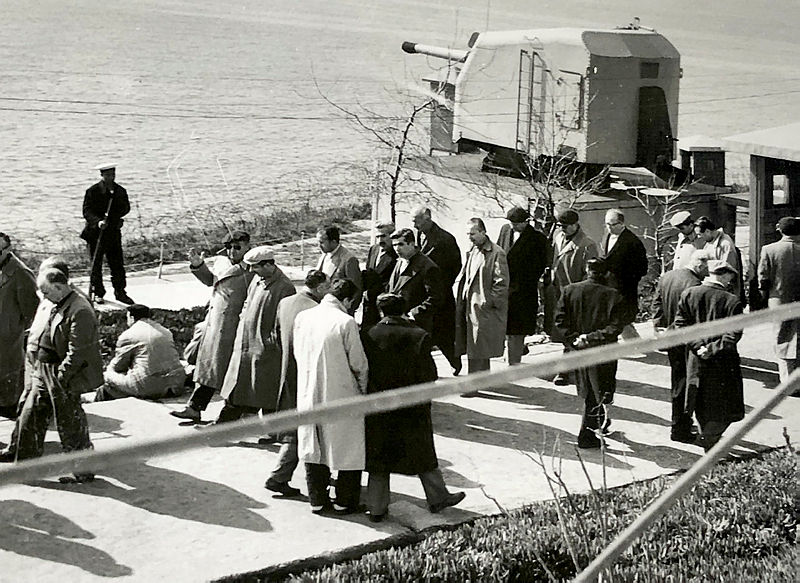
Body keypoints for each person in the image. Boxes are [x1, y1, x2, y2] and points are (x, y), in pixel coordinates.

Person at [362, 293, 465, 522]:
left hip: (379, 405)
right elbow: (430, 374)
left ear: (380, 311)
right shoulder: (419, 335)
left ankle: (376, 508)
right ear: (403, 310)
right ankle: (438, 497)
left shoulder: (368, 334)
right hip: (412, 406)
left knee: (379, 458)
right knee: (422, 453)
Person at [0, 268, 102, 483]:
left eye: (46, 292)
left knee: (70, 424)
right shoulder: (57, 302)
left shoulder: (80, 310)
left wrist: (62, 378)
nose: (43, 297)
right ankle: (25, 468)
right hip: (42, 369)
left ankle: (83, 471)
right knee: (30, 417)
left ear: (59, 287)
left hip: (62, 374)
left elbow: (78, 352)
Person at [294, 279, 369, 514]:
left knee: (313, 444)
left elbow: (297, 353)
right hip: (341, 391)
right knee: (347, 447)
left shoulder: (303, 317)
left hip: (308, 389)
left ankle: (316, 499)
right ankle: (345, 500)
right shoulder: (345, 322)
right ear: (347, 300)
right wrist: (362, 390)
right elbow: (359, 364)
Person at [171, 230, 253, 423]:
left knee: (230, 371)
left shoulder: (252, 269)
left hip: (234, 327)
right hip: (214, 323)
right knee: (208, 367)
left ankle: (231, 413)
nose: (232, 251)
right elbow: (212, 281)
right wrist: (198, 266)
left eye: (237, 247)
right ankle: (194, 407)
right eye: (229, 247)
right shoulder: (222, 262)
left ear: (248, 247)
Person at [265, 270, 329, 498]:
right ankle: (279, 476)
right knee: (302, 427)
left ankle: (283, 475)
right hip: (306, 372)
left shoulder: (286, 302)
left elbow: (274, 335)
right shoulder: (316, 309)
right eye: (328, 287)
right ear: (320, 288)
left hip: (286, 370)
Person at [217, 246, 296, 423]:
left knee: (265, 392)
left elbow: (284, 320)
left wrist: (271, 341)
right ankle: (223, 425)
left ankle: (272, 430)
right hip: (246, 344)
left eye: (256, 266)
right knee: (238, 388)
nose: (252, 270)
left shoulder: (285, 287)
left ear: (268, 265)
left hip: (266, 348)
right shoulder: (257, 280)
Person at [553, 259, 626, 449]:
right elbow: (615, 327)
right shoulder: (614, 295)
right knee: (598, 392)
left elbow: (560, 321)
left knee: (588, 390)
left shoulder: (570, 290)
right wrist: (591, 338)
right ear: (606, 273)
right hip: (603, 351)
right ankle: (586, 435)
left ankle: (598, 423)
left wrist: (575, 340)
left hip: (578, 350)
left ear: (587, 270)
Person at [674, 260, 744, 451]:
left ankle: (708, 441)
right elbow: (733, 334)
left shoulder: (689, 294)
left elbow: (681, 326)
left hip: (695, 359)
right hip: (723, 361)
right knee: (724, 405)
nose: (730, 282)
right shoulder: (732, 301)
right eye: (730, 278)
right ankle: (708, 441)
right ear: (725, 275)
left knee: (699, 400)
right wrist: (711, 349)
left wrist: (698, 347)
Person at [651, 250, 710, 442]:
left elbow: (657, 304)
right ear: (700, 264)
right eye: (707, 268)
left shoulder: (667, 277)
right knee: (688, 384)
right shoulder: (696, 285)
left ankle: (679, 424)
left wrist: (659, 328)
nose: (708, 273)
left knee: (678, 382)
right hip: (687, 340)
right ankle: (680, 428)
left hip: (671, 339)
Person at [95, 304, 186, 401]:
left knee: (108, 375)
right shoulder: (165, 331)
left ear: (131, 317)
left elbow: (118, 366)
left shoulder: (128, 335)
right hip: (176, 384)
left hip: (149, 386)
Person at [454, 217, 510, 374]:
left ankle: (475, 381)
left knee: (479, 347)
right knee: (475, 346)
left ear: (483, 232)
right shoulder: (473, 250)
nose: (469, 237)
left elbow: (501, 283)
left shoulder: (496, 253)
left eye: (472, 234)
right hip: (470, 306)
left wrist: (489, 302)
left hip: (483, 308)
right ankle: (481, 379)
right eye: (468, 234)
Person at [496, 207, 550, 365]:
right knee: (506, 327)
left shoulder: (537, 239)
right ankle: (515, 351)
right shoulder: (505, 231)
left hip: (523, 291)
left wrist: (524, 280)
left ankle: (514, 362)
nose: (513, 226)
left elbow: (540, 265)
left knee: (517, 329)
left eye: (517, 223)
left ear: (526, 222)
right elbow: (498, 252)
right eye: (511, 223)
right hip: (504, 287)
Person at [412, 206, 462, 374]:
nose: (414, 225)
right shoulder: (417, 236)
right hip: (421, 294)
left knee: (443, 333)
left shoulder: (445, 239)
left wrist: (441, 285)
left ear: (427, 218)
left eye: (416, 221)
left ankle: (455, 362)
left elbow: (456, 266)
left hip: (441, 294)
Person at [79, 162, 134, 304]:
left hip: (113, 233)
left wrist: (116, 216)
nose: (111, 177)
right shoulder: (92, 191)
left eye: (113, 175)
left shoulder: (120, 191)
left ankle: (120, 292)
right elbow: (86, 211)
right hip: (95, 234)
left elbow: (126, 208)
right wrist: (98, 221)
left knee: (117, 264)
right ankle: (98, 293)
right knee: (96, 265)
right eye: (108, 175)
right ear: (102, 175)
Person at [757, 216, 800, 389]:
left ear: (780, 230)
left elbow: (763, 279)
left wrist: (763, 298)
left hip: (779, 302)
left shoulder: (769, 250)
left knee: (782, 338)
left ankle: (788, 382)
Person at [0, 232, 39, 419]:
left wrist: (14, 328)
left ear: (8, 249)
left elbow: (32, 310)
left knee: (9, 381)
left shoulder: (21, 273)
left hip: (8, 338)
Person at [387, 228, 444, 334]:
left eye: (401, 244)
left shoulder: (427, 267)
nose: (397, 249)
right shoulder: (400, 261)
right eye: (394, 245)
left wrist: (413, 314)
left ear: (412, 244)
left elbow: (435, 298)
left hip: (416, 326)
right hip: (397, 323)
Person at [600, 209, 648, 332]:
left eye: (612, 224)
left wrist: (624, 275)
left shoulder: (632, 242)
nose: (609, 228)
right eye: (607, 224)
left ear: (622, 224)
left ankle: (635, 343)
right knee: (612, 323)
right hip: (608, 288)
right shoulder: (607, 235)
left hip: (624, 290)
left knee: (624, 323)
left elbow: (642, 268)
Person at [694, 216, 744, 302]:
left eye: (699, 234)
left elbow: (728, 273)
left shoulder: (725, 244)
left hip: (723, 292)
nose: (698, 237)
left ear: (707, 231)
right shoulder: (710, 241)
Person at [316, 226, 362, 314]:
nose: (319, 246)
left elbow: (357, 289)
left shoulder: (349, 259)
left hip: (339, 310)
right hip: (323, 307)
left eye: (322, 242)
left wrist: (347, 310)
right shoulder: (324, 255)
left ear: (333, 241)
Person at [361, 221, 397, 328]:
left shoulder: (396, 255)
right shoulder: (374, 249)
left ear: (392, 236)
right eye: (377, 237)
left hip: (384, 305)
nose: (380, 240)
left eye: (383, 236)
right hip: (369, 302)